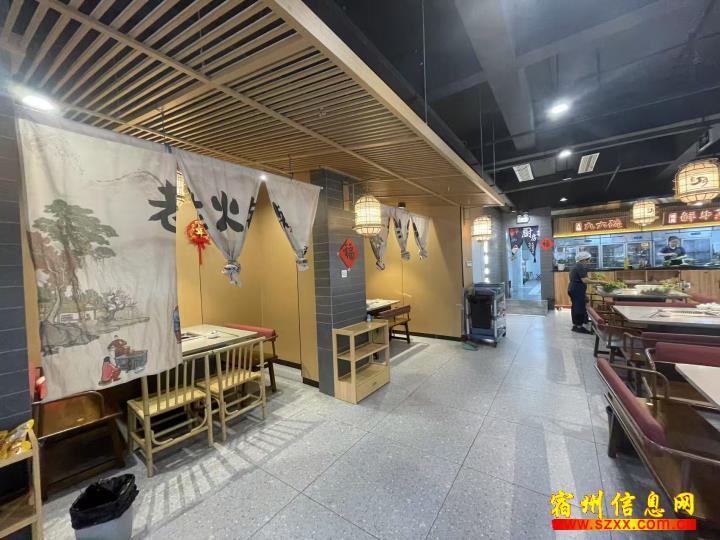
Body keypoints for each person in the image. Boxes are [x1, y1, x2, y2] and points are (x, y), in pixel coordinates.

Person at [567, 251, 603, 334]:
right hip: (577, 289)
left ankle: (576, 325)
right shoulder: (580, 266)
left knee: (575, 306)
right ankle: (579, 327)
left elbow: (583, 278)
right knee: (579, 307)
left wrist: (593, 280)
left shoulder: (576, 266)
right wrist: (599, 281)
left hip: (574, 288)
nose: (588, 261)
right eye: (588, 259)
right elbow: (584, 280)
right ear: (583, 259)